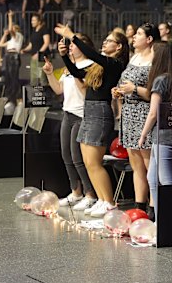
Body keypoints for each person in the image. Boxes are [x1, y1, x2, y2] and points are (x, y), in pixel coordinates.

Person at [54, 24, 129, 217]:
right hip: (89, 110)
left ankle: (109, 203)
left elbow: (93, 55)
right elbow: (78, 73)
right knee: (88, 162)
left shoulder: (115, 64)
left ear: (119, 47)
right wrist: (64, 56)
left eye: (109, 40)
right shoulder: (99, 65)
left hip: (100, 112)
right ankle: (103, 200)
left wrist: (73, 37)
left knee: (94, 162)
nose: (104, 42)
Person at [42, 34, 97, 209]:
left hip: (82, 115)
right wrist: (50, 73)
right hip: (67, 114)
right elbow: (58, 89)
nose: (70, 46)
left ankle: (90, 194)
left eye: (74, 44)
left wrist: (72, 69)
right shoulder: (68, 67)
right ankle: (76, 191)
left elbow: (84, 93)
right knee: (66, 155)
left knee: (77, 158)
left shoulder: (90, 66)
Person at [138, 41, 172, 222]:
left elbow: (154, 112)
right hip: (168, 135)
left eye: (152, 52)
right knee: (153, 178)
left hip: (162, 136)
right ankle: (162, 220)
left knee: (166, 180)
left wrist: (143, 134)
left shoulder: (160, 81)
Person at [115, 23, 161, 213]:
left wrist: (134, 89)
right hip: (129, 112)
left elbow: (155, 92)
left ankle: (153, 205)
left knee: (148, 162)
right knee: (136, 164)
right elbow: (125, 82)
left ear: (149, 39)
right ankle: (139, 204)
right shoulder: (134, 56)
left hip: (144, 113)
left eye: (139, 34)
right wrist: (119, 91)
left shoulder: (155, 59)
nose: (134, 37)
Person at [0, 11, 23, 106]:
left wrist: (10, 17)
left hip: (13, 57)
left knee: (13, 77)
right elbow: (0, 44)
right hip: (8, 57)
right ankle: (10, 97)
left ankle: (17, 97)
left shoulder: (18, 36)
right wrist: (4, 34)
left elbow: (11, 30)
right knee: (7, 77)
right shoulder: (11, 40)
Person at [20, 14, 50, 86]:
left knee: (42, 77)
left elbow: (46, 43)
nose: (32, 22)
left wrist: (38, 53)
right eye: (31, 20)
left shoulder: (44, 30)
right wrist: (24, 50)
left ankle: (45, 94)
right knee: (34, 77)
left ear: (39, 21)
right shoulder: (33, 31)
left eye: (33, 20)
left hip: (42, 57)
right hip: (33, 57)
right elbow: (31, 45)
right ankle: (33, 94)